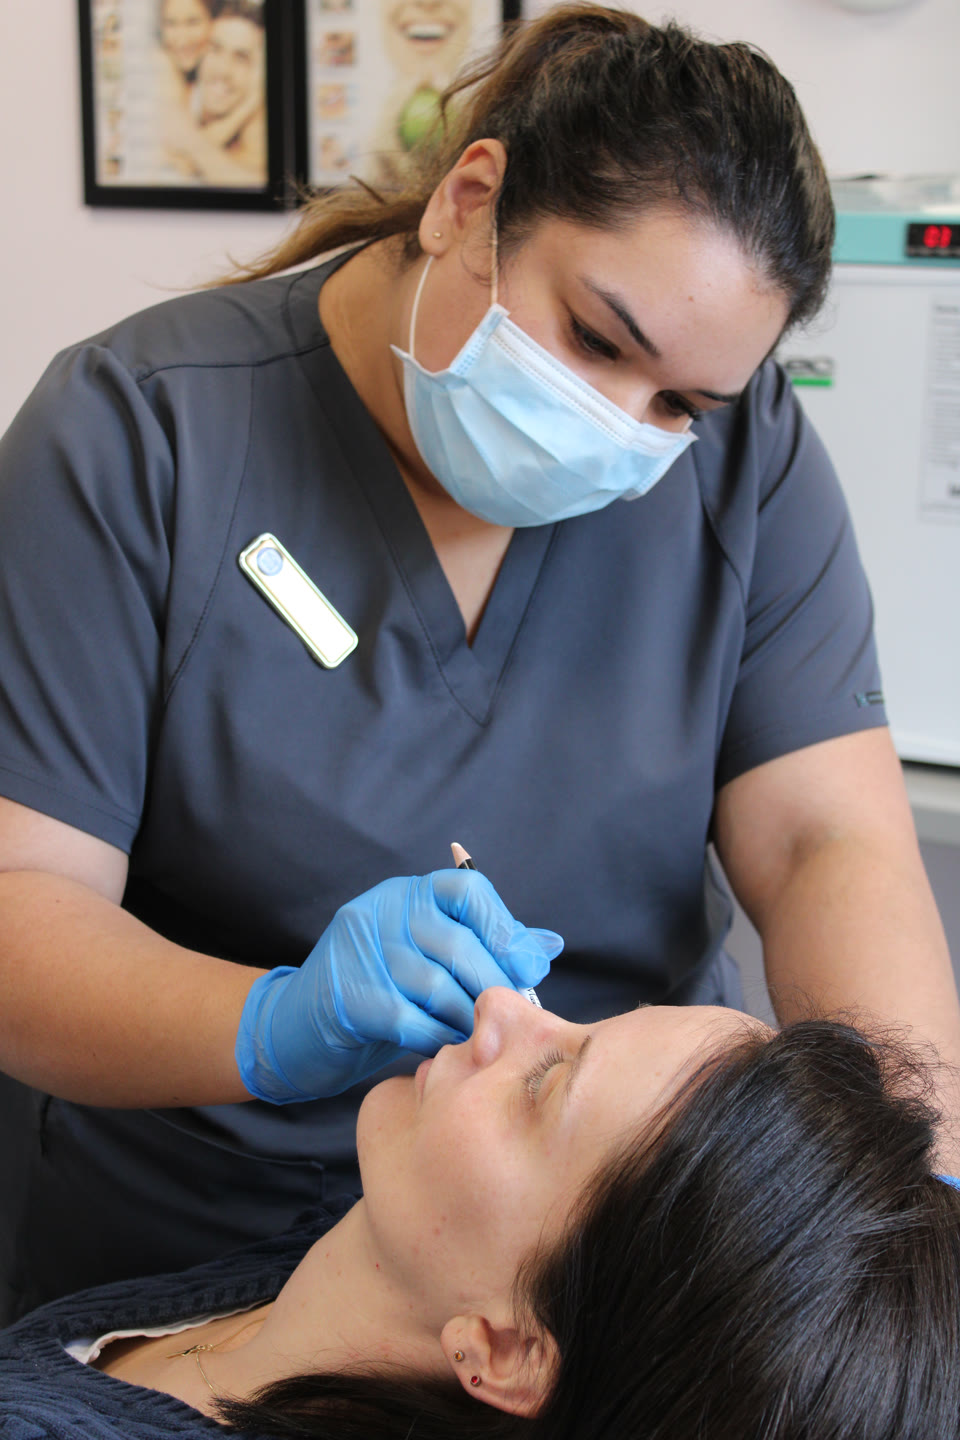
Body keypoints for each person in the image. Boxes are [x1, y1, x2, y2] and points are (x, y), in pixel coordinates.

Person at [1, 2, 959, 1322]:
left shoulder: (745, 465)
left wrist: (919, 1202)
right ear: (470, 196)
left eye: (680, 403)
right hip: (190, 1245)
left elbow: (826, 849)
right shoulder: (139, 439)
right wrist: (276, 1022)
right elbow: (22, 911)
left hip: (592, 1270)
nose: (625, 431)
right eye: (595, 339)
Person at [2, 991, 960, 1438]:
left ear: (504, 1352)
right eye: (584, 1022)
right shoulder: (357, 1280)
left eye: (544, 1084)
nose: (502, 1006)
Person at [162, 0, 268, 187]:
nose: (222, 70)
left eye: (241, 58)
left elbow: (262, 184)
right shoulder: (170, 95)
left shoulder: (259, 124)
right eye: (215, 49)